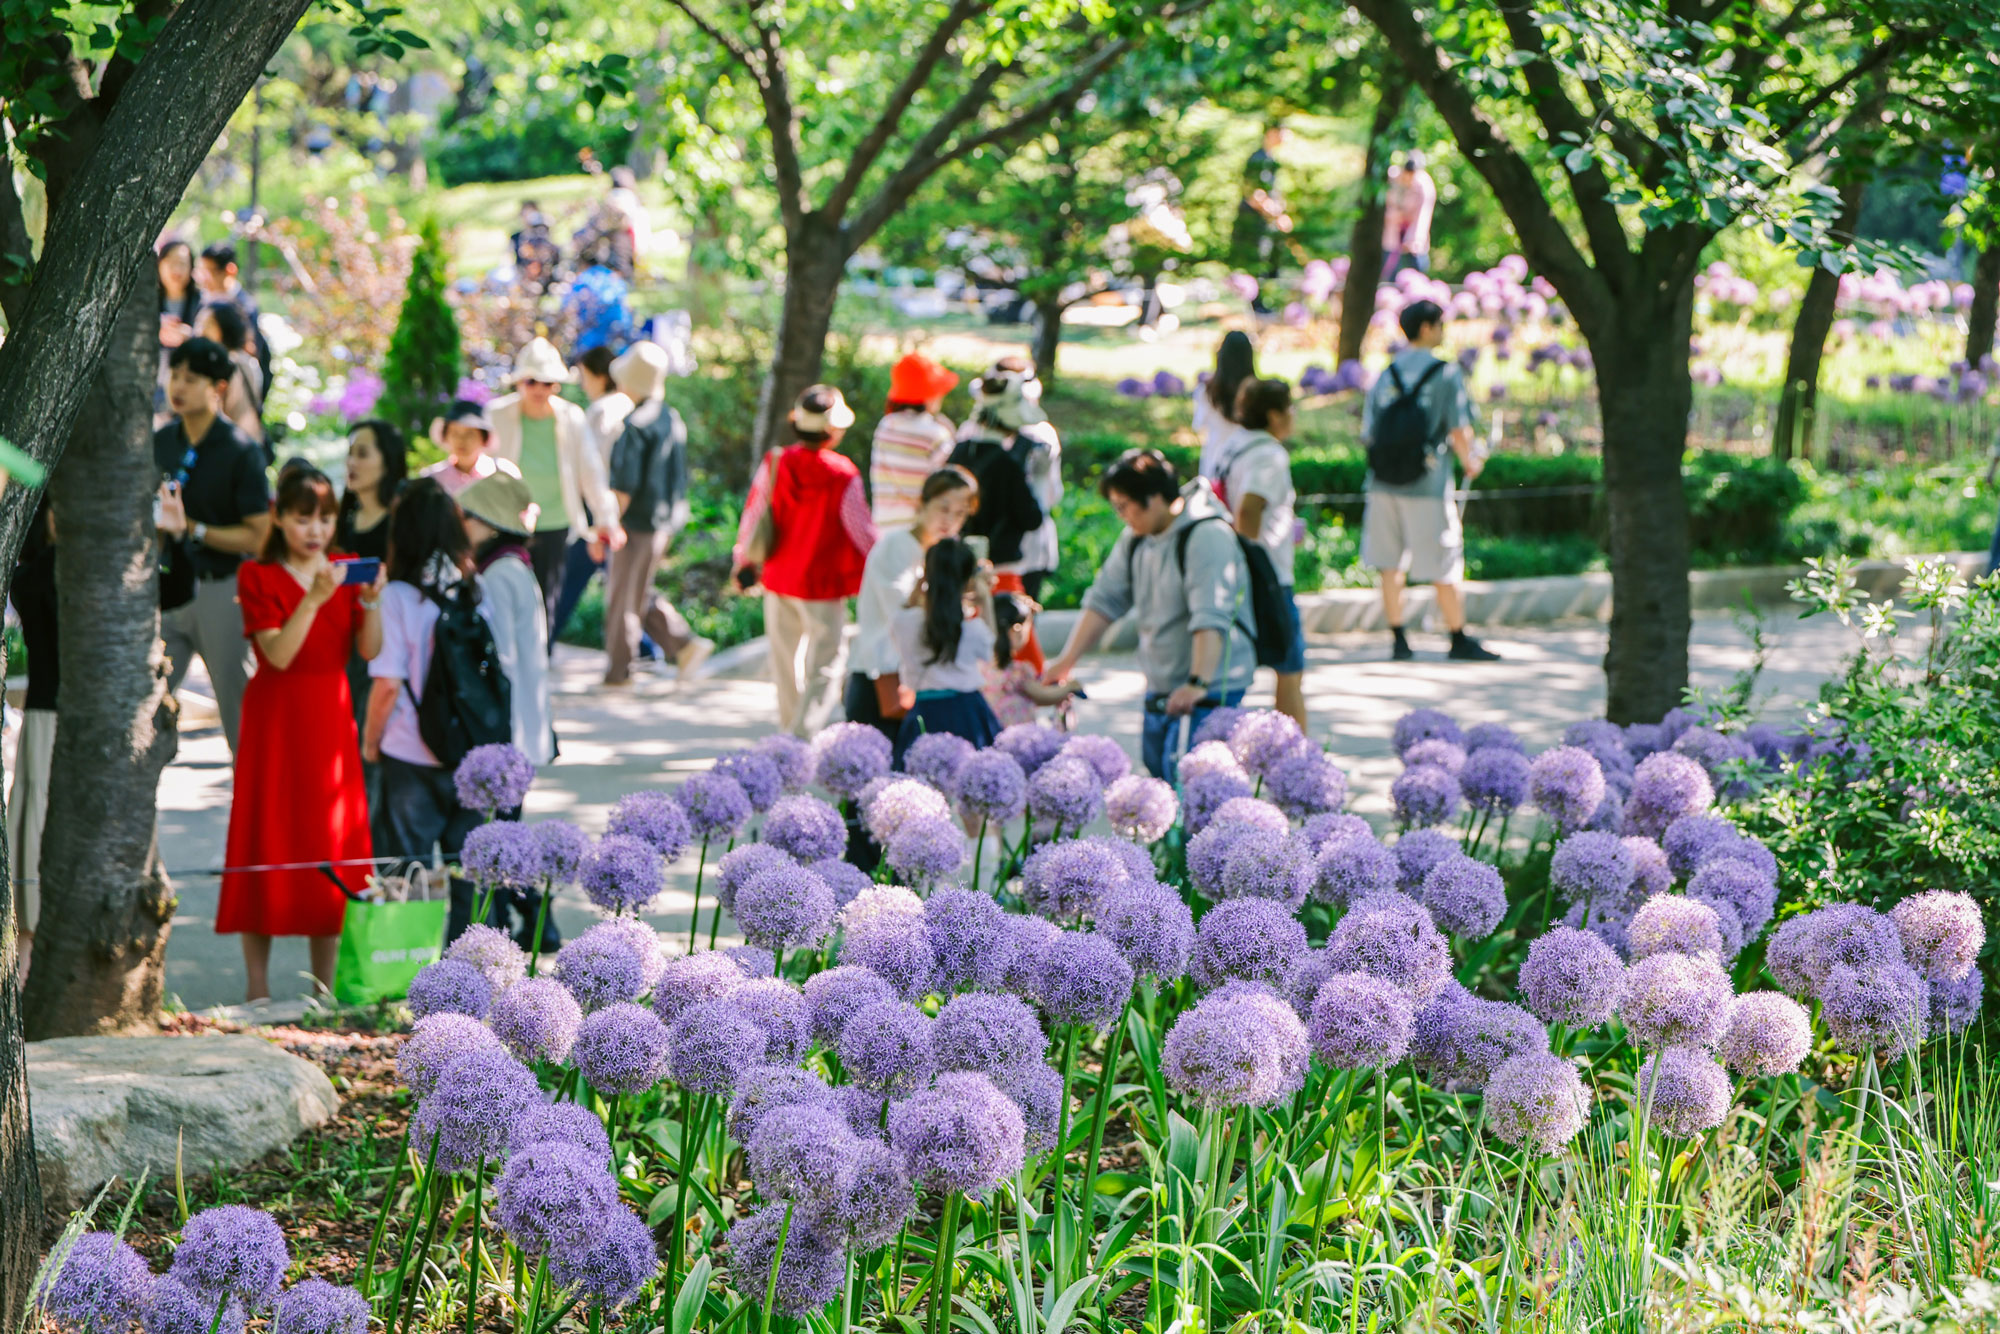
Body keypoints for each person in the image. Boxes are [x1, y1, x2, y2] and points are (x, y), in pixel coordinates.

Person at [219, 466, 384, 1002]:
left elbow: (369, 651)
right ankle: (257, 990)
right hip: (275, 719)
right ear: (279, 518)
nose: (315, 530)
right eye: (302, 518)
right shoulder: (258, 576)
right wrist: (314, 599)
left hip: (330, 718)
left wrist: (372, 602)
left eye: (326, 518)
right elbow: (278, 654)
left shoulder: (342, 573)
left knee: (329, 842)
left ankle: (325, 989)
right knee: (264, 833)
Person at [1045, 449, 1256, 782]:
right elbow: (1105, 599)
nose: (1121, 516)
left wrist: (1196, 683)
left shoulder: (1207, 535)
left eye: (1124, 506)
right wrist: (1066, 660)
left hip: (1208, 690)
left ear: (1155, 498)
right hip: (1162, 685)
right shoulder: (1137, 539)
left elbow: (1210, 614)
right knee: (1160, 776)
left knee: (1196, 789)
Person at [363, 478, 495, 944]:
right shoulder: (476, 591)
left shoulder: (396, 597)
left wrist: (370, 742)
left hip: (409, 754)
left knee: (408, 873)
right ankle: (470, 975)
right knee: (471, 875)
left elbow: (387, 684)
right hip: (471, 754)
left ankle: (406, 966)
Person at [733, 385, 876, 737]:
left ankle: (789, 729)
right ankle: (803, 733)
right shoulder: (842, 473)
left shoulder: (777, 461)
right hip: (823, 584)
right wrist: (887, 561)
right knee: (825, 664)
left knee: (784, 660)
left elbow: (754, 512)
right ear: (833, 429)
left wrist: (743, 561)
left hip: (779, 577)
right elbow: (861, 531)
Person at [1361, 299, 1499, 663]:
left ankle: (1399, 639)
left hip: (1382, 481)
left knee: (1389, 563)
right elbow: (1458, 428)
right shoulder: (1446, 373)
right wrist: (1471, 462)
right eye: (1440, 324)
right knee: (1443, 560)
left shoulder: (1386, 372)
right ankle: (1457, 636)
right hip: (1428, 482)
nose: (1443, 331)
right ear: (1426, 327)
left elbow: (1369, 430)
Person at [155, 337, 273, 754]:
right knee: (144, 708)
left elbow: (259, 536)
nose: (178, 386)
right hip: (167, 593)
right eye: (174, 375)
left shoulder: (241, 451)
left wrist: (194, 529)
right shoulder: (162, 442)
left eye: (191, 378)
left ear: (218, 386)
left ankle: (253, 814)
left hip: (223, 591)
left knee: (239, 720)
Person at [485, 337, 624, 620]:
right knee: (504, 601)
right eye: (532, 381)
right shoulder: (497, 414)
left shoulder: (571, 416)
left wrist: (605, 521)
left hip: (554, 523)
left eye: (547, 382)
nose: (539, 389)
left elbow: (591, 471)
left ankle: (540, 661)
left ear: (557, 385)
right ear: (520, 381)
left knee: (546, 603)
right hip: (508, 523)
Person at [603, 340, 712, 686]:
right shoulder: (670, 417)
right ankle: (684, 644)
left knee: (623, 599)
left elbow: (624, 488)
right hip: (663, 521)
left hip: (635, 523)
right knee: (637, 590)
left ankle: (619, 671)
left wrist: (606, 523)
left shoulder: (635, 426)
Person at [848, 467, 978, 743]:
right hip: (882, 680)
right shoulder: (896, 546)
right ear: (922, 503)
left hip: (918, 681)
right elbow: (904, 616)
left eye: (960, 513)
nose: (951, 520)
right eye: (944, 508)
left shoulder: (943, 553)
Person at [949, 358, 1052, 668]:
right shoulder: (1007, 463)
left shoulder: (959, 451)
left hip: (963, 570)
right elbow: (1031, 517)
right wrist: (1039, 478)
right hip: (1003, 572)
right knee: (1021, 661)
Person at [1217, 378, 1307, 727]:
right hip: (1268, 576)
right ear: (1273, 415)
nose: (1293, 415)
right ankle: (1298, 759)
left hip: (1237, 570)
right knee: (1290, 668)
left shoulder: (1233, 445)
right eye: (1289, 408)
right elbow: (1248, 510)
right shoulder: (1269, 454)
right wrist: (1250, 560)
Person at [337, 419, 409, 806]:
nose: (352, 462)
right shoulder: (340, 518)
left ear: (388, 462)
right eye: (350, 453)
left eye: (363, 453)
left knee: (375, 749)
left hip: (386, 651)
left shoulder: (402, 519)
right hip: (341, 648)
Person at [890, 538, 1002, 766]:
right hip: (969, 711)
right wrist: (985, 601)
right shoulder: (971, 629)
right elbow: (989, 649)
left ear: (926, 574)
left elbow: (904, 611)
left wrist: (920, 583)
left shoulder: (905, 623)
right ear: (968, 580)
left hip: (925, 711)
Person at [551, 346, 634, 646]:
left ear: (600, 375)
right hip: (619, 507)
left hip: (600, 508)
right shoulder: (627, 404)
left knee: (570, 577)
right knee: (621, 580)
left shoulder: (601, 411)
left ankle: (543, 639)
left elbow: (593, 465)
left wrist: (601, 517)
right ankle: (660, 643)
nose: (582, 383)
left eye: (584, 376)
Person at [8, 500, 55, 983]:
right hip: (45, 715)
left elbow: (178, 586)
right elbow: (41, 587)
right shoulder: (35, 577)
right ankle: (24, 960)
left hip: (93, 724)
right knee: (34, 822)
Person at [870, 354, 959, 527]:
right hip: (920, 528)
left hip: (884, 525)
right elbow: (946, 479)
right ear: (929, 395)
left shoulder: (886, 426)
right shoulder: (936, 434)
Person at [983, 592, 1081, 729]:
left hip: (991, 735)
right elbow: (1042, 695)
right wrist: (1070, 687)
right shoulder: (1018, 671)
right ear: (1017, 630)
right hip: (1017, 740)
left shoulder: (982, 667)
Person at [1231, 124, 1292, 315]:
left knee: (1270, 261)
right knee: (1257, 262)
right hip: (1253, 222)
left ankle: (1266, 302)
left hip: (1266, 222)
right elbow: (1253, 194)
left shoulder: (1271, 159)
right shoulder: (1258, 159)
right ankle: (1255, 305)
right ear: (1271, 132)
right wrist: (1275, 214)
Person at [196, 240, 271, 389]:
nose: (204, 279)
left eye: (210, 271)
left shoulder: (245, 307)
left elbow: (255, 353)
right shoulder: (201, 300)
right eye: (201, 272)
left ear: (230, 270)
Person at [194, 302, 267, 451]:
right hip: (249, 445)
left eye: (208, 324)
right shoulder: (247, 361)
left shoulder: (224, 365)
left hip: (231, 448)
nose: (200, 331)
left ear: (224, 327)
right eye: (199, 324)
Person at [422, 399, 518, 497]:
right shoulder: (432, 479)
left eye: (470, 434)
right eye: (455, 433)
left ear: (484, 438)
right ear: (446, 436)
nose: (461, 440)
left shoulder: (502, 472)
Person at [1195, 331, 1257, 481]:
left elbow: (1199, 426)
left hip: (1214, 461)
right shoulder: (1255, 391)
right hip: (1247, 461)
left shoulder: (1206, 391)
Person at [156, 239, 200, 424]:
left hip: (190, 391)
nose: (177, 269)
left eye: (182, 263)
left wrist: (190, 337)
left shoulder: (201, 303)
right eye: (171, 262)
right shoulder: (146, 302)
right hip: (153, 389)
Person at [1382, 151, 1438, 276]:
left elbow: (1424, 215)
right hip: (1393, 226)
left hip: (1413, 227)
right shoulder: (1392, 178)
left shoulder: (1424, 185)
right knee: (1389, 267)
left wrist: (1415, 239)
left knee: (1417, 263)